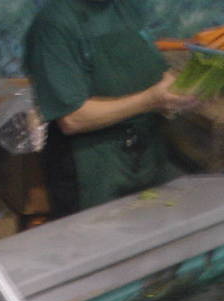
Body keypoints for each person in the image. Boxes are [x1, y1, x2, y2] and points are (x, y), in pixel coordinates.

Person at [23, 0, 199, 214]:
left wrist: (178, 95)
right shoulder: (54, 25)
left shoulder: (126, 9)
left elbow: (151, 75)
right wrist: (151, 100)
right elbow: (72, 118)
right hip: (92, 166)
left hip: (146, 154)